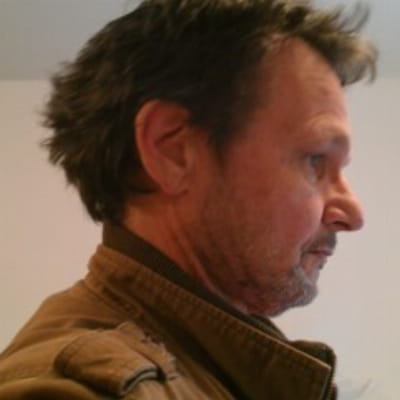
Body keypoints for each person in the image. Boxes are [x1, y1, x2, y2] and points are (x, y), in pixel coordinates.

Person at [0, 0, 377, 399]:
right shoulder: (74, 391)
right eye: (316, 159)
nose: (353, 214)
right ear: (173, 150)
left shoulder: (210, 365)